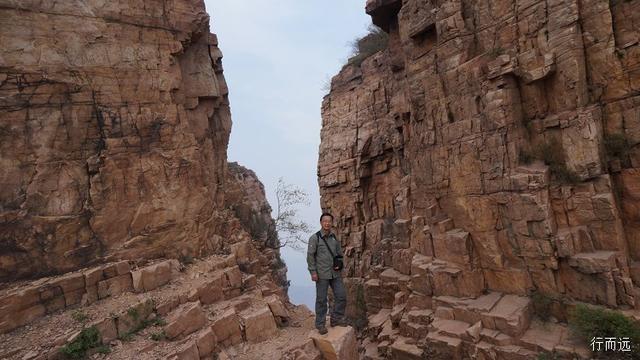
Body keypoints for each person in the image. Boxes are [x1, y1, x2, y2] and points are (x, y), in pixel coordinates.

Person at [306, 212, 347, 335]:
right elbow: (310, 256)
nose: (327, 223)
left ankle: (335, 319)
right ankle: (320, 324)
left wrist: (339, 263)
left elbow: (339, 254)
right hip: (321, 274)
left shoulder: (334, 238)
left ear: (332, 223)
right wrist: (313, 272)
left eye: (329, 221)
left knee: (341, 296)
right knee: (321, 300)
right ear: (321, 222)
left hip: (335, 274)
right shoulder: (315, 238)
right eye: (325, 221)